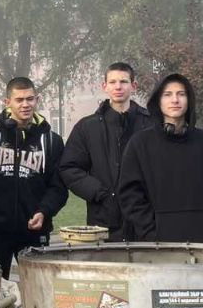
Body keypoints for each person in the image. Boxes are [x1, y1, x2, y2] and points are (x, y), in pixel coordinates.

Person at [118, 73, 203, 243]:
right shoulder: (140, 144)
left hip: (201, 241)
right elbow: (130, 195)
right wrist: (150, 231)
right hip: (155, 244)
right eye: (167, 94)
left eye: (181, 94)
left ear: (189, 100)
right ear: (158, 101)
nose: (175, 100)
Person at [0, 77, 67, 277]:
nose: (25, 104)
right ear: (7, 102)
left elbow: (59, 187)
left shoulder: (52, 141)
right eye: (19, 100)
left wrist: (44, 211)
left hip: (35, 229)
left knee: (39, 290)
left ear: (37, 99)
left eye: (30, 99)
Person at [58, 62, 152, 240]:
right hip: (103, 221)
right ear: (104, 86)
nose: (118, 87)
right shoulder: (87, 127)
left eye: (124, 81)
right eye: (113, 82)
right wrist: (99, 192)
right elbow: (69, 168)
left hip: (144, 221)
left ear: (134, 86)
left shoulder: (150, 125)